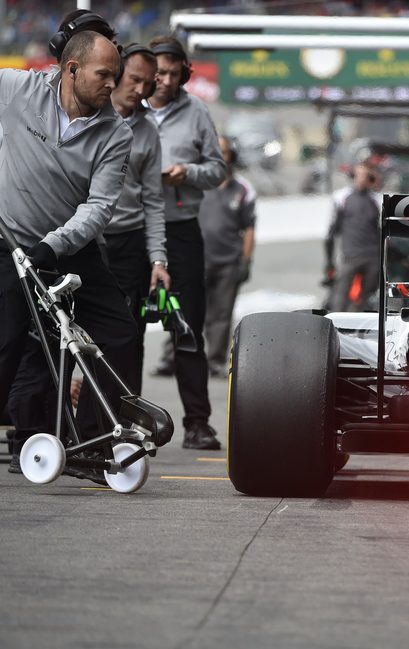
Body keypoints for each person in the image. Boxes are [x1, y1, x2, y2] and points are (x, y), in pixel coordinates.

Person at [0, 26, 136, 483]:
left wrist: (52, 247)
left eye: (115, 76)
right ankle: (26, 435)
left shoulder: (115, 132)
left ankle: (97, 447)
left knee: (118, 333)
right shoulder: (18, 89)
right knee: (8, 343)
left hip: (67, 248)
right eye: (105, 74)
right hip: (11, 244)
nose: (112, 85)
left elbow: (99, 208)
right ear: (71, 69)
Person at [146, 35, 226, 451]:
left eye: (175, 74)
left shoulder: (197, 112)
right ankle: (111, 419)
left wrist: (188, 173)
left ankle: (198, 424)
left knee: (188, 327)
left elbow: (217, 169)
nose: (165, 81)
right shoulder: (122, 108)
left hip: (180, 229)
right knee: (118, 328)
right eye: (160, 72)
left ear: (186, 75)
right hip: (129, 228)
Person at [103, 42, 170, 395]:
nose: (141, 90)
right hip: (84, 242)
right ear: (116, 74)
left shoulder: (147, 131)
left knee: (130, 334)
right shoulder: (90, 115)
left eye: (148, 83)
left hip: (129, 244)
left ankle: (125, 421)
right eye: (134, 79)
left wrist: (158, 259)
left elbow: (153, 200)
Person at [201, 136, 256, 375]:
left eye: (223, 152)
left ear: (231, 156)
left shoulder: (243, 190)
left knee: (221, 314)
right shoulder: (196, 182)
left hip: (228, 262)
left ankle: (215, 360)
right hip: (196, 260)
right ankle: (174, 358)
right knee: (187, 311)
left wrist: (245, 261)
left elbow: (250, 228)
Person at [324, 162, 382, 312]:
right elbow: (331, 232)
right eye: (359, 175)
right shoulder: (342, 198)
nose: (362, 179)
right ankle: (337, 324)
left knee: (366, 298)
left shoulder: (377, 200)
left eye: (366, 175)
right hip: (350, 255)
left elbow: (383, 229)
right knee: (340, 296)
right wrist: (329, 262)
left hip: (373, 256)